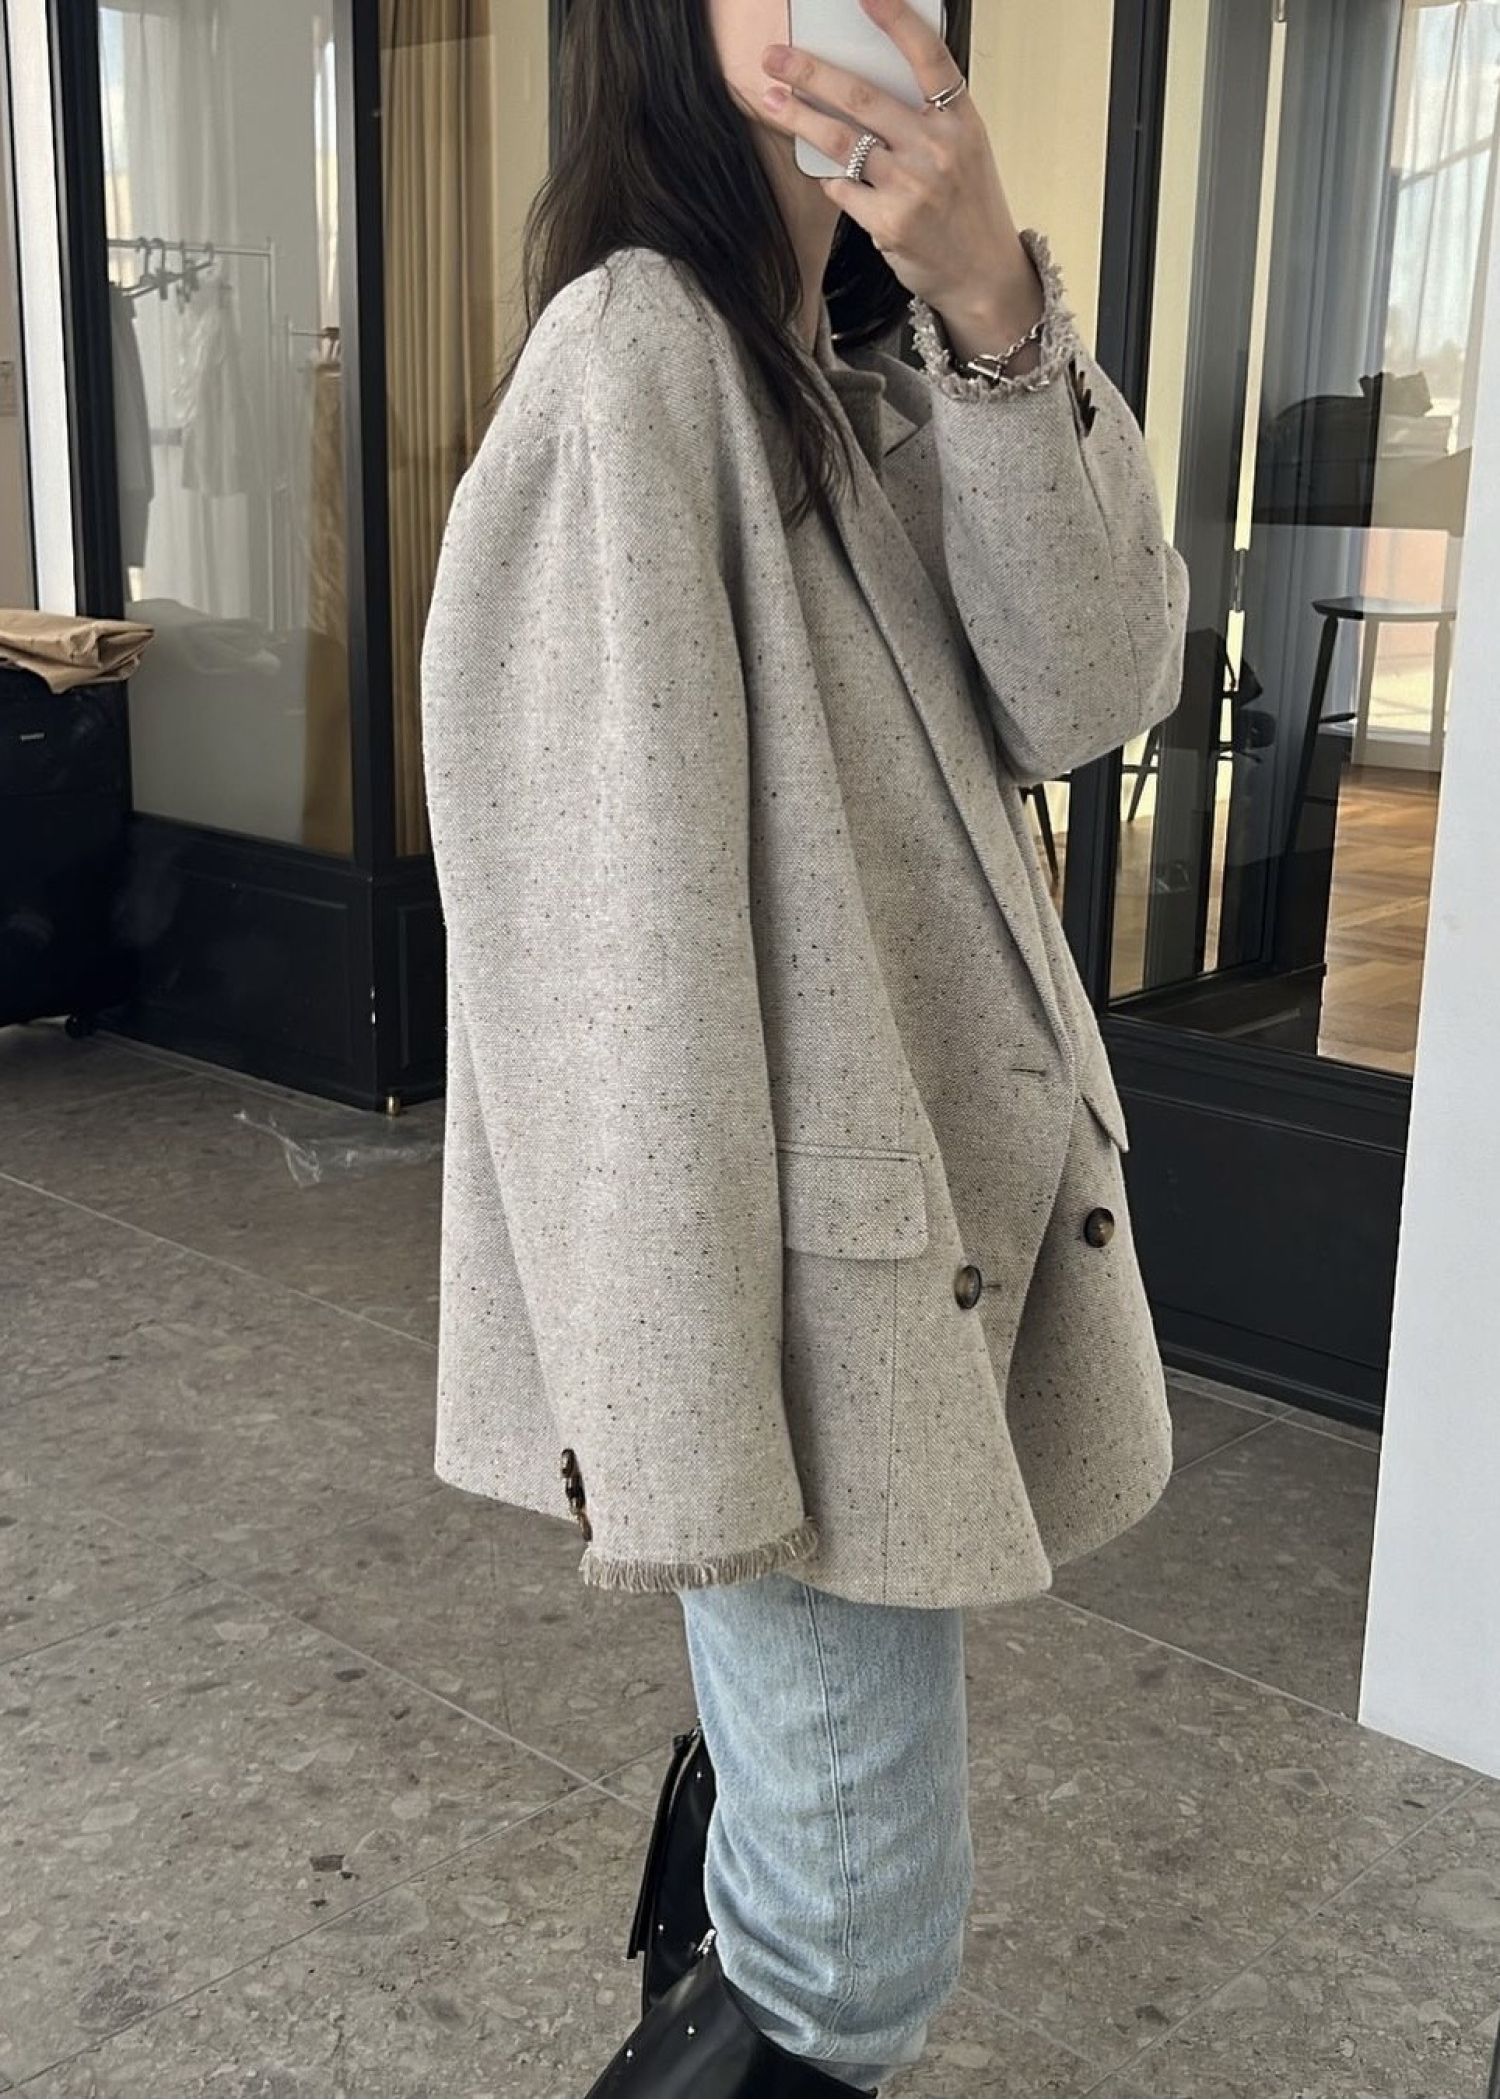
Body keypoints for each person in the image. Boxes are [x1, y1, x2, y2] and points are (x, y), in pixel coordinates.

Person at [419, 0, 1190, 2091]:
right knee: (853, 1956)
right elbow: (607, 977)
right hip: (788, 1319)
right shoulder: (633, 363)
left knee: (817, 1901)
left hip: (902, 1280)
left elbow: (1090, 688)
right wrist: (687, 1433)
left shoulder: (859, 367)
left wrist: (995, 305)